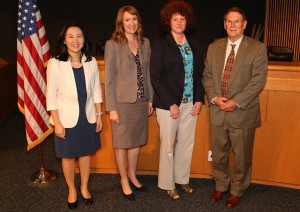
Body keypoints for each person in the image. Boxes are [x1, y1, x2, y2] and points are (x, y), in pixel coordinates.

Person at [202, 7, 268, 208]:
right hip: (218, 110)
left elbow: (257, 81)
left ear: (244, 24)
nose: (232, 25)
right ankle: (221, 185)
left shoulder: (257, 48)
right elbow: (208, 77)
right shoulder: (214, 47)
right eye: (229, 21)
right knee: (219, 153)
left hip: (242, 111)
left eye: (237, 21)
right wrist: (214, 98)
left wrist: (235, 101)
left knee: (242, 155)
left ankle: (238, 189)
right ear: (224, 24)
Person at [150, 0, 205, 200]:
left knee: (186, 144)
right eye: (175, 19)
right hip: (168, 105)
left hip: (190, 103)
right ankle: (167, 183)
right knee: (167, 146)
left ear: (187, 21)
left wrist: (199, 99)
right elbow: (155, 76)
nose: (179, 22)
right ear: (168, 21)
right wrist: (170, 103)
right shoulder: (161, 44)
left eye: (183, 19)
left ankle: (182, 179)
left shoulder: (195, 44)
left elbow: (199, 74)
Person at [46, 23, 102, 210]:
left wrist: (100, 115)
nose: (75, 40)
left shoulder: (91, 61)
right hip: (65, 119)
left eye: (79, 36)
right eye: (70, 36)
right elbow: (51, 95)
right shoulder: (55, 63)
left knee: (86, 154)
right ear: (64, 40)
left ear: (84, 39)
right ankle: (72, 189)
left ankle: (84, 187)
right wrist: (58, 123)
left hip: (88, 116)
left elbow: (96, 90)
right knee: (68, 156)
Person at [104, 6, 153, 201]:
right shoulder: (113, 44)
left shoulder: (145, 42)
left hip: (141, 100)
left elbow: (147, 72)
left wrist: (150, 98)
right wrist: (112, 108)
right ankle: (124, 179)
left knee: (136, 142)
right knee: (121, 144)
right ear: (120, 23)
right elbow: (109, 79)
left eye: (134, 19)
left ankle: (133, 174)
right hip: (121, 103)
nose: (131, 23)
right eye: (127, 20)